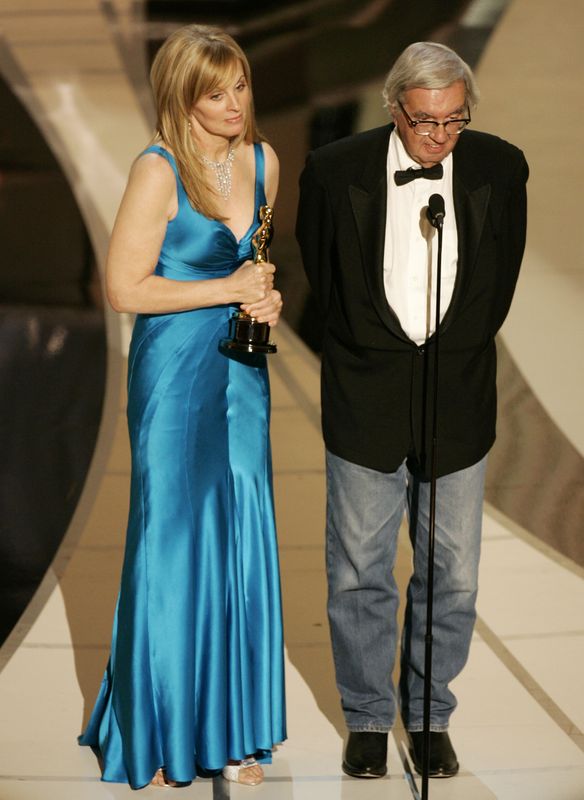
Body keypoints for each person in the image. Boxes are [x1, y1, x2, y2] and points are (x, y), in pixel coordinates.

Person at [296, 41, 528, 780]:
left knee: (452, 573)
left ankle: (429, 715)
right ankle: (367, 716)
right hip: (366, 396)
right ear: (396, 107)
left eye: (454, 121)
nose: (440, 137)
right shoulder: (335, 172)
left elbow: (498, 283)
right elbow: (321, 277)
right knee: (359, 571)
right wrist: (374, 352)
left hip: (458, 398)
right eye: (426, 122)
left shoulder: (499, 167)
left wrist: (448, 351)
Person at [79, 24, 286, 789]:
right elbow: (125, 288)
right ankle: (164, 728)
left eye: (240, 87)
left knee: (242, 531)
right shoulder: (157, 170)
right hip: (172, 374)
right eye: (215, 93)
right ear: (181, 97)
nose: (234, 105)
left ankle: (236, 732)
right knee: (172, 540)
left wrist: (264, 297)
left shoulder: (264, 160)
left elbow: (258, 265)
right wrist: (228, 289)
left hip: (241, 372)